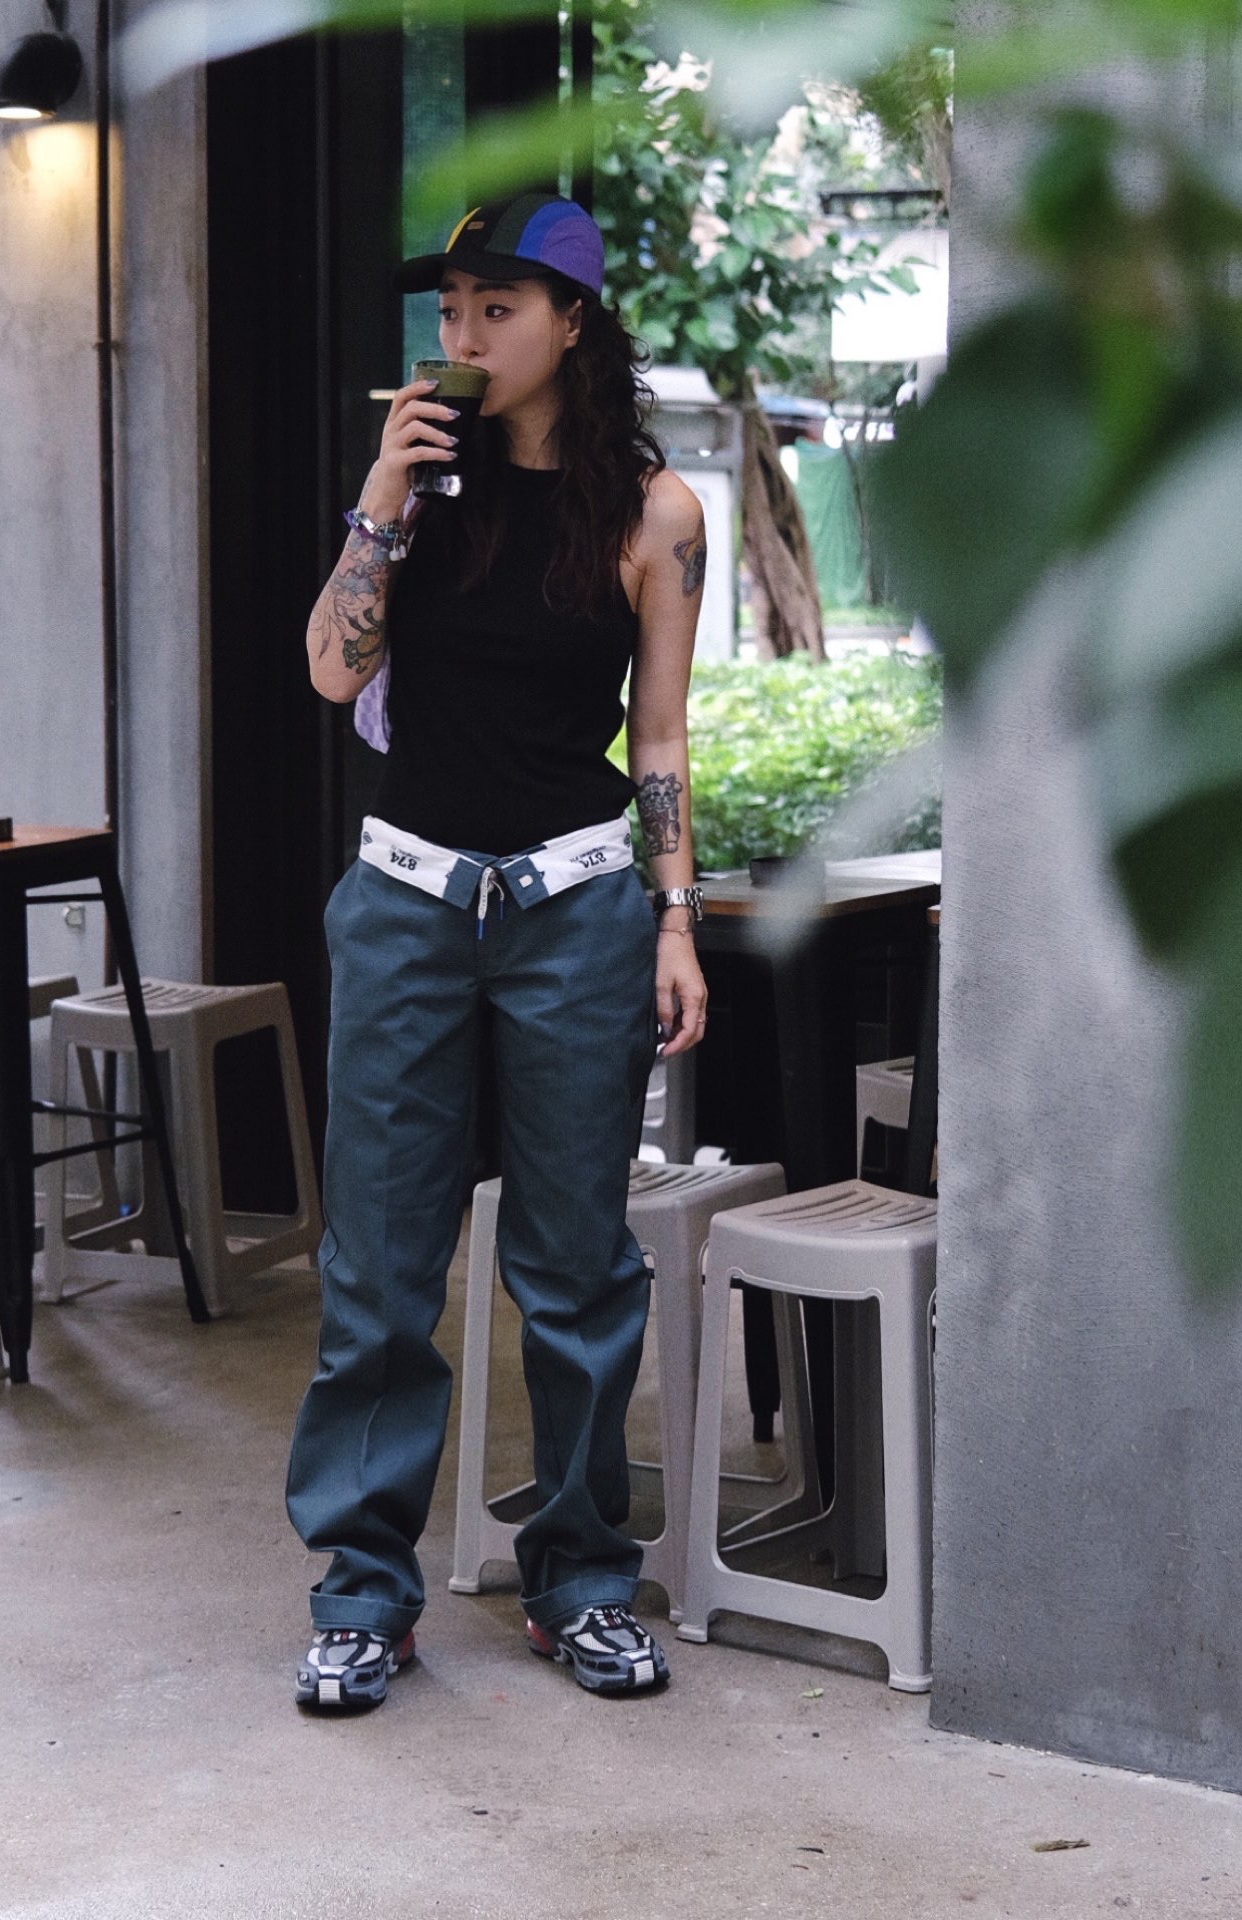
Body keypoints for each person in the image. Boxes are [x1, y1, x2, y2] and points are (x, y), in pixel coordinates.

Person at [287, 193, 708, 1710]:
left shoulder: (656, 515)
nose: (461, 336)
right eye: (450, 308)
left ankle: (582, 1578)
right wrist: (381, 497)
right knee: (378, 1266)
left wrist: (675, 919)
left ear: (572, 324)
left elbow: (660, 735)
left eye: (497, 308)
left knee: (577, 1267)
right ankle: (362, 1591)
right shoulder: (418, 486)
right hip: (404, 899)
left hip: (578, 908)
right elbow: (332, 673)